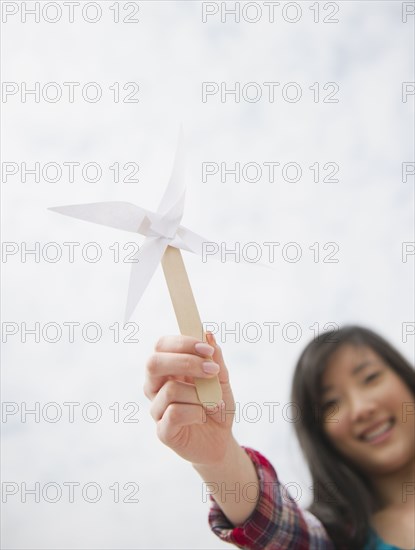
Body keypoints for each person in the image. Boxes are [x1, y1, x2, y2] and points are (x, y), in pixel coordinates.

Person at [143, 326, 415, 549]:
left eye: (370, 377)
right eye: (331, 403)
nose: (360, 409)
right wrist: (219, 456)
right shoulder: (338, 541)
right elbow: (282, 533)